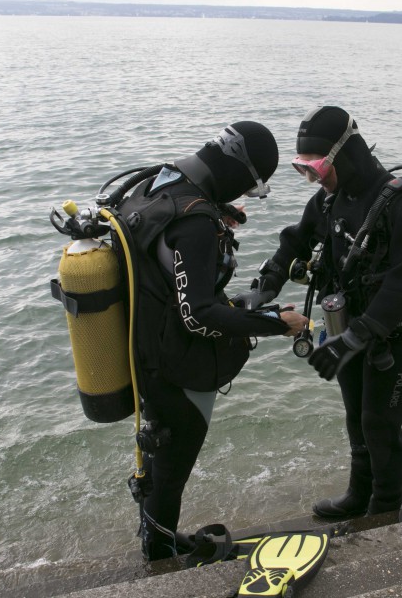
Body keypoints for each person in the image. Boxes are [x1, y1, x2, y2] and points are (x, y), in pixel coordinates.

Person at [248, 106, 402, 517]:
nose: (314, 179)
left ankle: (385, 510)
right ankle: (359, 495)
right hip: (350, 330)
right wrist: (267, 282)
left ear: (346, 154)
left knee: (379, 423)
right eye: (304, 169)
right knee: (356, 416)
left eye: (317, 168)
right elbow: (296, 240)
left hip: (395, 337)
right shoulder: (331, 200)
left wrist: (356, 337)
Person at [126, 121, 309, 560]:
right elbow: (198, 316)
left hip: (141, 346)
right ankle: (159, 555)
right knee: (172, 468)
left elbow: (162, 263)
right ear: (237, 169)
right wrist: (276, 322)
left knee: (158, 457)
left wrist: (216, 216)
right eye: (249, 185)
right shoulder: (195, 222)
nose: (244, 194)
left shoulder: (155, 183)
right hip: (173, 366)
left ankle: (157, 539)